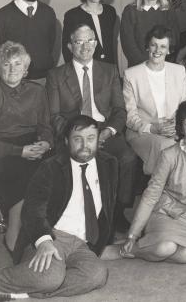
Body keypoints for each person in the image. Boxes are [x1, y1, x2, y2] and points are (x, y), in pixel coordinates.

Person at [0, 115, 117, 301]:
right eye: (77, 139)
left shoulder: (109, 164)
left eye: (90, 138)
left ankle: (15, 292)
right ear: (66, 141)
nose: (84, 145)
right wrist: (44, 241)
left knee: (97, 275)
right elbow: (33, 209)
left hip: (81, 242)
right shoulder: (50, 167)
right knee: (51, 277)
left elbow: (108, 207)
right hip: (52, 234)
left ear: (98, 140)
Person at [101, 101, 186, 264]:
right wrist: (133, 234)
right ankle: (129, 248)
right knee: (166, 248)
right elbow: (151, 195)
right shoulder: (169, 155)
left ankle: (139, 249)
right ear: (181, 127)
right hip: (166, 212)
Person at [47, 24, 137, 232]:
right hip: (74, 131)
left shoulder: (110, 70)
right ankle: (83, 213)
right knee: (83, 162)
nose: (85, 46)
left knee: (128, 159)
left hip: (104, 128)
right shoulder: (56, 75)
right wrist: (77, 135)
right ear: (70, 46)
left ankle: (117, 211)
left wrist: (108, 132)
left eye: (90, 41)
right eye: (79, 42)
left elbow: (119, 110)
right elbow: (54, 115)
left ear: (96, 44)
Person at [0, 42, 53, 253]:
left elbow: (46, 127)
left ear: (26, 68)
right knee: (24, 170)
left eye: (18, 64)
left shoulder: (37, 91)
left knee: (55, 165)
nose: (12, 69)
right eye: (6, 64)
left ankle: (43, 228)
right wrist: (20, 151)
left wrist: (45, 143)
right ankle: (15, 231)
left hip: (29, 143)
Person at [123, 25, 186, 175]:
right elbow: (131, 117)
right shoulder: (131, 75)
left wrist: (176, 128)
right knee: (168, 148)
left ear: (169, 50)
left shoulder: (179, 71)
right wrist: (154, 128)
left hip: (173, 130)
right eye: (154, 45)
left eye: (163, 46)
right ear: (147, 47)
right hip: (142, 132)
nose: (158, 50)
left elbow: (184, 106)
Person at [120, 0, 180, 67]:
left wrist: (161, 64)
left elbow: (174, 41)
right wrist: (147, 66)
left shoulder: (168, 10)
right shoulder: (130, 11)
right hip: (138, 67)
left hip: (164, 66)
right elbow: (129, 46)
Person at [62, 0, 118, 66]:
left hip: (109, 68)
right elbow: (67, 50)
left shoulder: (110, 12)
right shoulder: (72, 15)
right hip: (85, 69)